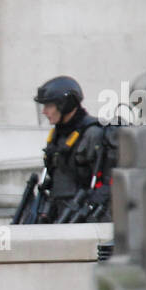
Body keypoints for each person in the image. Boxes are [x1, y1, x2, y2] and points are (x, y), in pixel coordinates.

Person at [27, 75, 116, 223]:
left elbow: (110, 182)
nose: (44, 111)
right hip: (60, 215)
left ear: (65, 104)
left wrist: (92, 204)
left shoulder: (93, 134)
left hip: (86, 219)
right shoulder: (58, 135)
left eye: (49, 106)